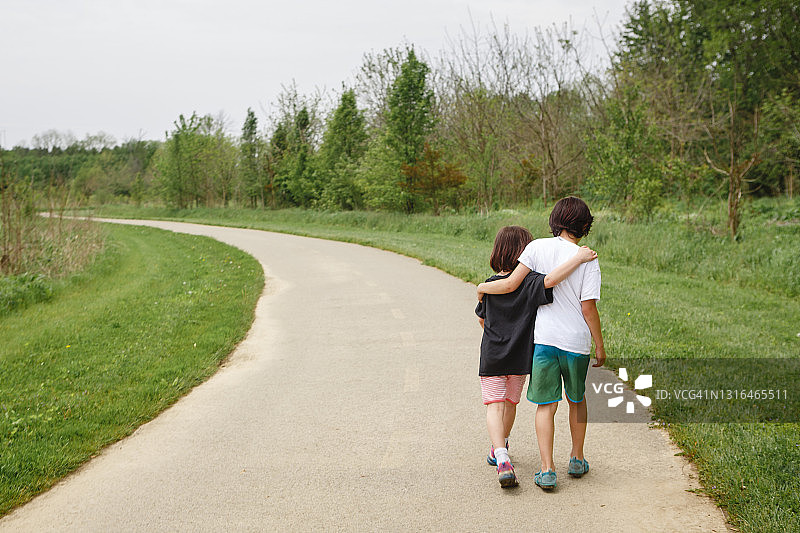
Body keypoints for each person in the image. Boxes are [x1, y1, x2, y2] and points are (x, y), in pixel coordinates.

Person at [477, 197, 604, 491]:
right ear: (585, 226)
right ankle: (576, 457)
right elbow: (588, 307)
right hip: (575, 342)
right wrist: (599, 344)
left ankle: (546, 469)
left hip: (544, 342)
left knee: (545, 405)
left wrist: (482, 288)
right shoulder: (588, 258)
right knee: (576, 399)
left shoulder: (535, 249)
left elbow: (510, 284)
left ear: (553, 221)